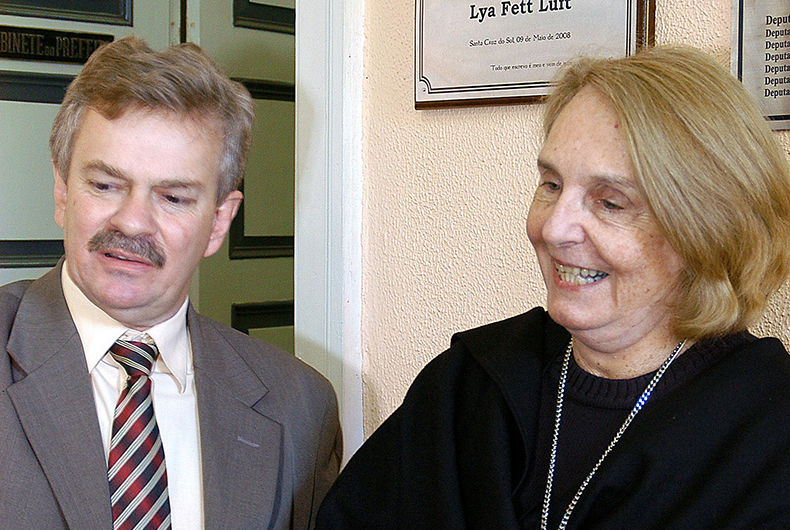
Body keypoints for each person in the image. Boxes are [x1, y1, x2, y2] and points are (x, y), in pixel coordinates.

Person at [315, 45, 790, 529]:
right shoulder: (467, 387)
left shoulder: (770, 429)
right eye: (551, 185)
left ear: (709, 229)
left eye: (610, 202)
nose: (553, 228)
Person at [0, 36, 341, 530]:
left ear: (219, 222)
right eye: (105, 185)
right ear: (62, 191)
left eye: (174, 197)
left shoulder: (300, 408)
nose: (132, 222)